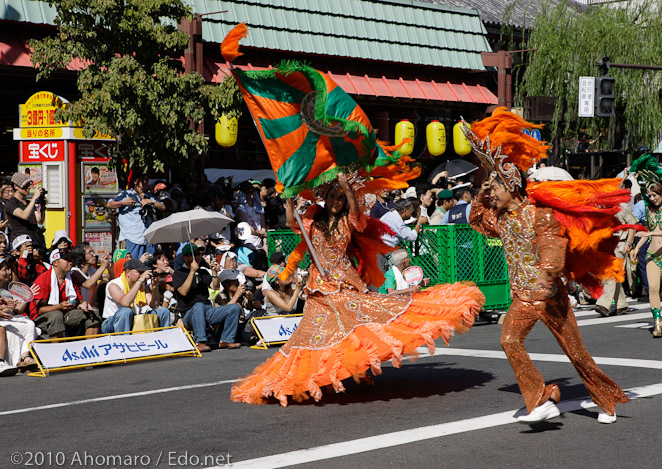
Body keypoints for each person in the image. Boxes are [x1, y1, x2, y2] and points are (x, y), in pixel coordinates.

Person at [231, 173, 484, 406]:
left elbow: (354, 211)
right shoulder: (311, 216)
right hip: (319, 287)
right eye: (332, 196)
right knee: (318, 333)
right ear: (324, 197)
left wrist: (347, 188)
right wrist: (287, 200)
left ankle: (360, 368)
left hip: (344, 282)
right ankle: (328, 376)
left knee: (360, 323)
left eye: (340, 197)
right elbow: (290, 223)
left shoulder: (348, 221)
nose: (336, 201)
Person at [466, 108, 629, 424]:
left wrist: (546, 277)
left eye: (495, 188)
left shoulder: (538, 213)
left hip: (549, 294)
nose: (491, 193)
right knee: (509, 340)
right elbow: (474, 219)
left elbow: (554, 249)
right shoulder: (501, 218)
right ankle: (541, 398)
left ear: (512, 188)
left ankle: (607, 401)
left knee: (577, 354)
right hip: (523, 298)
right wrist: (483, 188)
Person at [631, 183, 662, 336]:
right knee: (653, 288)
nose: (652, 199)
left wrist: (649, 235)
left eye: (655, 195)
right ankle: (657, 322)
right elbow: (648, 230)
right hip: (652, 254)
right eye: (650, 196)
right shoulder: (649, 210)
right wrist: (638, 247)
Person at [172, 243, 242, 352]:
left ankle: (226, 340)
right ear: (185, 258)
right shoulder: (178, 273)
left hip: (207, 309)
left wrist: (214, 271)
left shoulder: (203, 271)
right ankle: (200, 341)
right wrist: (191, 272)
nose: (198, 257)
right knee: (198, 305)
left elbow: (215, 286)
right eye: (193, 255)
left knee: (234, 308)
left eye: (198, 254)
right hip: (189, 313)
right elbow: (183, 292)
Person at [29, 249, 101, 339]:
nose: (71, 262)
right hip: (42, 318)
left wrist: (83, 305)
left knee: (93, 313)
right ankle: (58, 350)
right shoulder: (43, 279)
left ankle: (90, 347)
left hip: (65, 314)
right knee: (56, 315)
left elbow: (78, 303)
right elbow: (39, 310)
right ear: (55, 263)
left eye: (71, 260)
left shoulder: (71, 278)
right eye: (67, 260)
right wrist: (59, 307)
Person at [101, 259, 171, 334]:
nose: (142, 275)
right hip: (112, 322)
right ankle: (123, 342)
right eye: (139, 272)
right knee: (125, 311)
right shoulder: (114, 284)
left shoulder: (142, 285)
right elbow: (125, 302)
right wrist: (139, 281)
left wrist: (155, 287)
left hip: (136, 319)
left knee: (163, 311)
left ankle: (163, 338)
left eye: (143, 272)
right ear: (128, 272)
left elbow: (154, 306)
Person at [595, 202, 639, 317]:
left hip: (619, 244)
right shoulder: (600, 207)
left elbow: (633, 225)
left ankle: (603, 304)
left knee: (611, 273)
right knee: (615, 276)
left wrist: (629, 243)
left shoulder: (622, 207)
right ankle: (621, 304)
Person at [107, 174, 166, 259]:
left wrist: (151, 202)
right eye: (142, 180)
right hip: (133, 237)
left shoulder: (149, 196)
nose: (145, 182)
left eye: (146, 180)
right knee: (134, 265)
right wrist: (124, 203)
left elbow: (163, 207)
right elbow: (109, 204)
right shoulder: (127, 194)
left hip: (148, 237)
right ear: (135, 182)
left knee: (148, 264)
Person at [0, 256, 38, 373]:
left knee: (29, 324)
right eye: (4, 270)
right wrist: (4, 310)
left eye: (8, 269)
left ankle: (25, 357)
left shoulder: (8, 289)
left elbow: (18, 309)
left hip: (9, 318)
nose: (8, 272)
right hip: (3, 319)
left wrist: (27, 297)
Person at [5, 173, 45, 253]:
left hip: (35, 239)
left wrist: (43, 205)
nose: (29, 188)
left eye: (29, 185)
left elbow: (39, 220)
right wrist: (34, 198)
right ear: (16, 186)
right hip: (22, 242)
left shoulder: (28, 203)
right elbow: (24, 215)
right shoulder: (10, 203)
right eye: (25, 186)